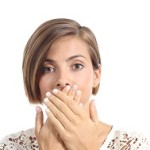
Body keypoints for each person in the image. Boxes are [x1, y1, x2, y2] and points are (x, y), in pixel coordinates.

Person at [0, 18, 149, 150]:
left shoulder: (133, 145)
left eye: (76, 66)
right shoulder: (12, 145)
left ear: (96, 75)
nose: (62, 80)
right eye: (48, 68)